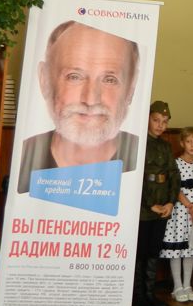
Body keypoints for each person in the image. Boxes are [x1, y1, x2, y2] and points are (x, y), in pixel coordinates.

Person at [17, 21, 139, 193]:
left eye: (109, 80)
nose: (90, 100)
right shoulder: (21, 157)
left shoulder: (142, 158)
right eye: (74, 77)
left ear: (131, 89)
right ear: (45, 80)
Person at [133, 101, 179, 306]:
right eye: (156, 120)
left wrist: (170, 202)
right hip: (144, 209)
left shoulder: (165, 146)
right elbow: (136, 177)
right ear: (148, 119)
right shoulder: (139, 143)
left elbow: (173, 175)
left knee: (154, 251)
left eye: (165, 121)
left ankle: (150, 295)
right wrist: (150, 204)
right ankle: (138, 298)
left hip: (163, 207)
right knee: (141, 252)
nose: (160, 125)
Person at [160, 126, 193, 302]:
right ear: (182, 143)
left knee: (191, 247)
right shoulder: (176, 163)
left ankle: (188, 285)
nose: (192, 145)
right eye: (189, 141)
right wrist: (190, 206)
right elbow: (175, 188)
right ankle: (177, 286)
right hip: (181, 212)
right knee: (177, 248)